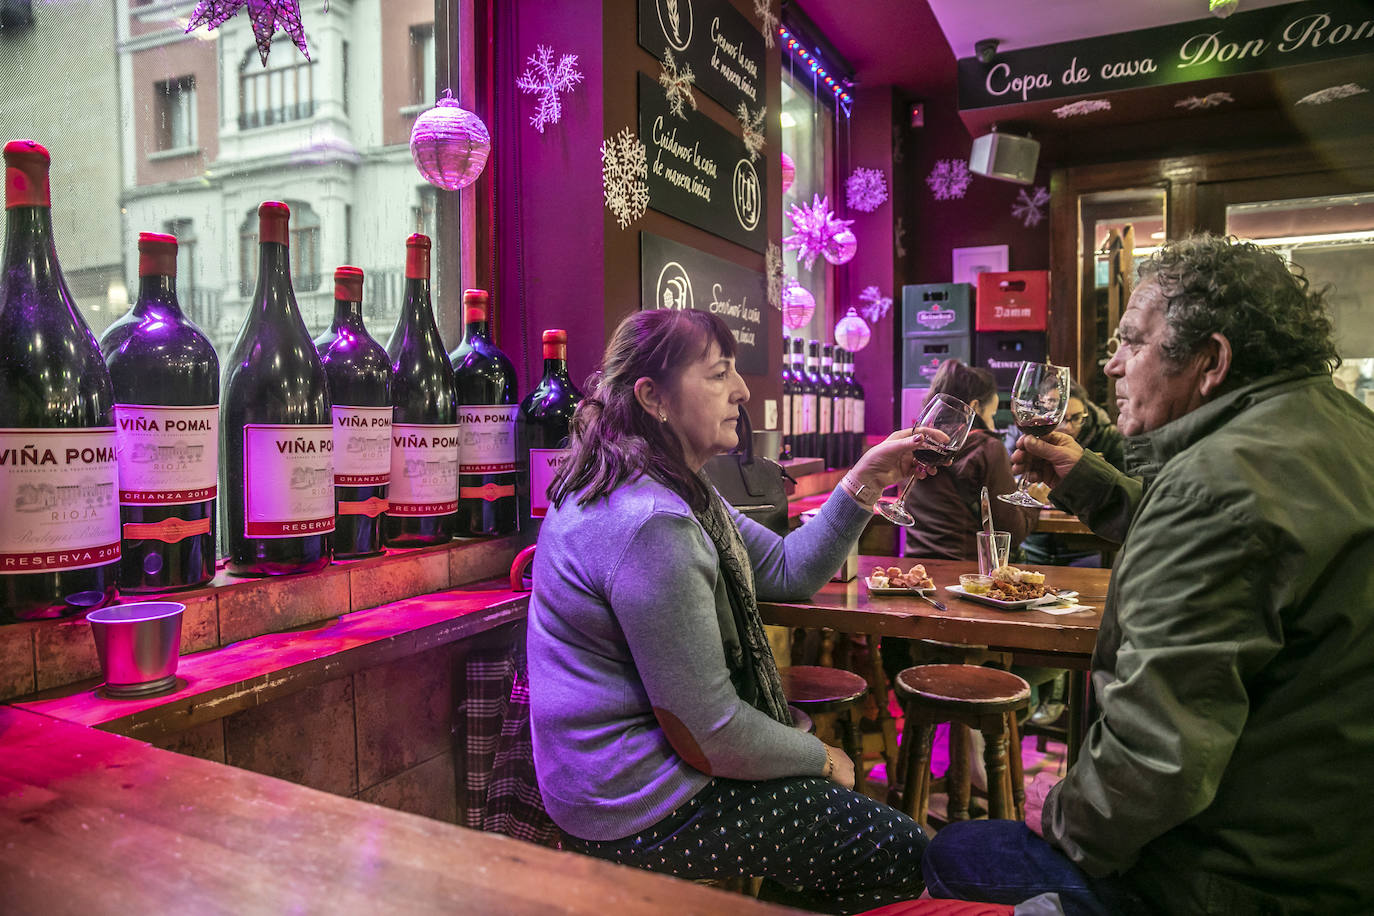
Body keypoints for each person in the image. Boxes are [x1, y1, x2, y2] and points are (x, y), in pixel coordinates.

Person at [921, 235, 1374, 915]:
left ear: (1210, 360)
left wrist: (1064, 813)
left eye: (1132, 342)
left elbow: (1160, 758)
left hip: (1232, 879)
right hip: (1331, 844)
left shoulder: (1218, 484)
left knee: (949, 852)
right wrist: (1092, 484)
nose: (1110, 365)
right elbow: (1236, 544)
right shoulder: (1341, 432)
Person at [527, 309, 934, 914]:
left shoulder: (665, 483)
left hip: (611, 780)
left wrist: (867, 478)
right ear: (653, 398)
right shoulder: (653, 523)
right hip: (633, 804)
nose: (742, 391)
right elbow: (710, 733)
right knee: (900, 850)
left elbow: (791, 569)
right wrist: (822, 756)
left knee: (835, 846)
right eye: (719, 374)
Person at [902, 359, 1037, 561]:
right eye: (992, 415)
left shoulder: (918, 442)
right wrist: (1035, 500)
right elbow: (1011, 532)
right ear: (974, 407)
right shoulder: (988, 448)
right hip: (963, 576)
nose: (992, 424)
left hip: (916, 568)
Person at [1021, 383, 1125, 568]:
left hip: (1087, 547)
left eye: (1076, 418)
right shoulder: (1028, 433)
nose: (1068, 427)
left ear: (1086, 411)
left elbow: (1122, 490)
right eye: (1060, 418)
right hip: (1034, 544)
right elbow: (1012, 480)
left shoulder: (1108, 437)